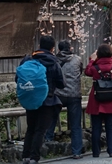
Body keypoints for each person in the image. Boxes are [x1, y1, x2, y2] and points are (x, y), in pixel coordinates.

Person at [19, 36, 65, 164]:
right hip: (47, 101)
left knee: (31, 128)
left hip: (31, 99)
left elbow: (18, 79)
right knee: (40, 130)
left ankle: (25, 156)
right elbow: (61, 83)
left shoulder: (28, 60)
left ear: (39, 45)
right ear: (52, 48)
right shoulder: (53, 62)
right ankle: (35, 157)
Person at [85, 44, 112, 158]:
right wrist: (111, 57)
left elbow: (87, 71)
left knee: (96, 127)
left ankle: (96, 152)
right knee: (110, 127)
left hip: (97, 98)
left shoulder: (94, 68)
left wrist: (92, 60)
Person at [44, 40, 83, 159]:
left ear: (59, 49)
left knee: (52, 117)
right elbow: (80, 72)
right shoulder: (77, 59)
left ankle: (47, 139)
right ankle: (77, 151)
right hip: (74, 94)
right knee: (76, 124)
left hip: (58, 94)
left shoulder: (54, 60)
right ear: (70, 48)